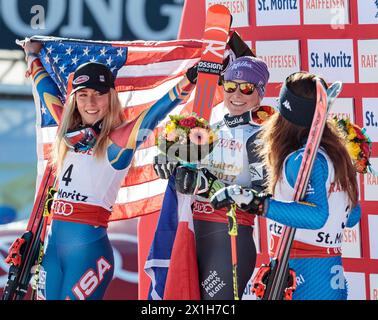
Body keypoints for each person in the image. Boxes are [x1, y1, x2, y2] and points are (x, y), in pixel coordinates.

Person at [23, 40, 197, 300]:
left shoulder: (119, 141)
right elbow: (45, 88)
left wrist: (191, 78)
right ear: (74, 100)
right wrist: (32, 56)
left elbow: (155, 113)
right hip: (53, 252)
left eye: (99, 94)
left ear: (111, 98)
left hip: (88, 253)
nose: (90, 102)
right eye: (82, 95)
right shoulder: (66, 132)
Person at [210, 71, 361, 300]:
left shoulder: (300, 160)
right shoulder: (336, 155)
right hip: (329, 276)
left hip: (302, 276)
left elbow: (318, 215)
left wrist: (259, 204)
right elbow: (352, 216)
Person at [154, 55, 273, 299]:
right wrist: (165, 159)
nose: (236, 95)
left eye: (247, 88)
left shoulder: (260, 137)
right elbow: (180, 165)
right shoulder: (209, 130)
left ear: (260, 93)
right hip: (191, 233)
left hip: (228, 237)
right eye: (230, 86)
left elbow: (262, 198)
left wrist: (209, 186)